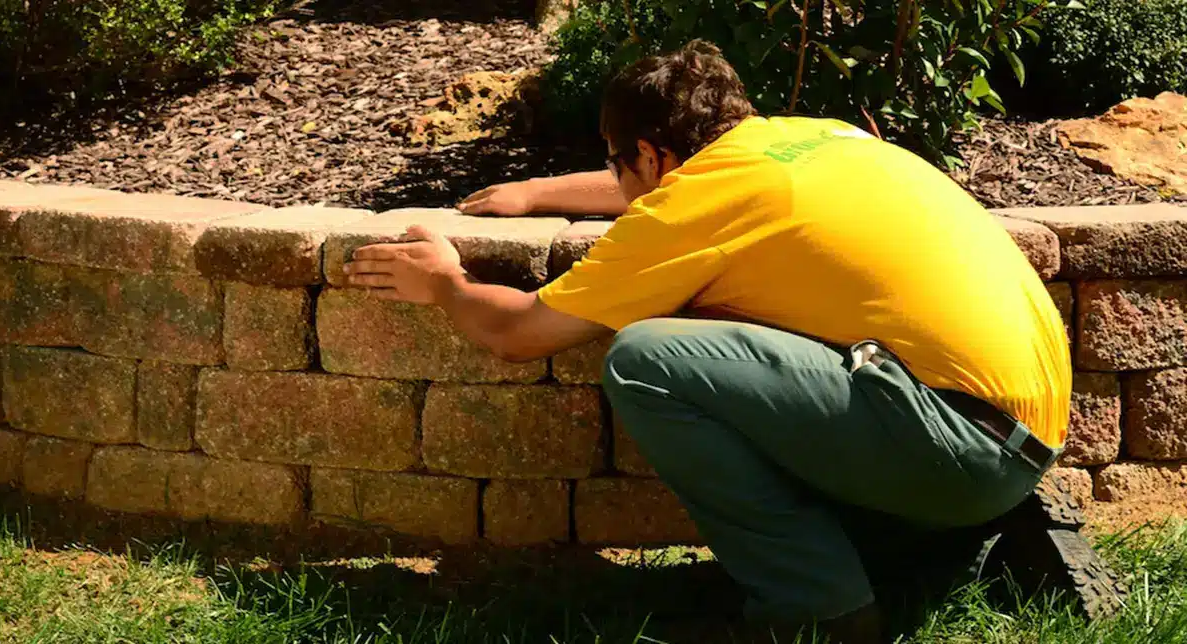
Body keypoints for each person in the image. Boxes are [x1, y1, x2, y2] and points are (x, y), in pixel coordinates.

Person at [341, 40, 1073, 643]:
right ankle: (924, 549)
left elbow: (518, 333)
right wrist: (534, 194)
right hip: (1020, 435)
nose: (616, 179)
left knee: (651, 361)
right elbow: (670, 183)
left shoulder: (691, 208)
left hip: (958, 453)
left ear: (653, 158)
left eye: (616, 161)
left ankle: (819, 614)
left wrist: (443, 282)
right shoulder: (815, 137)